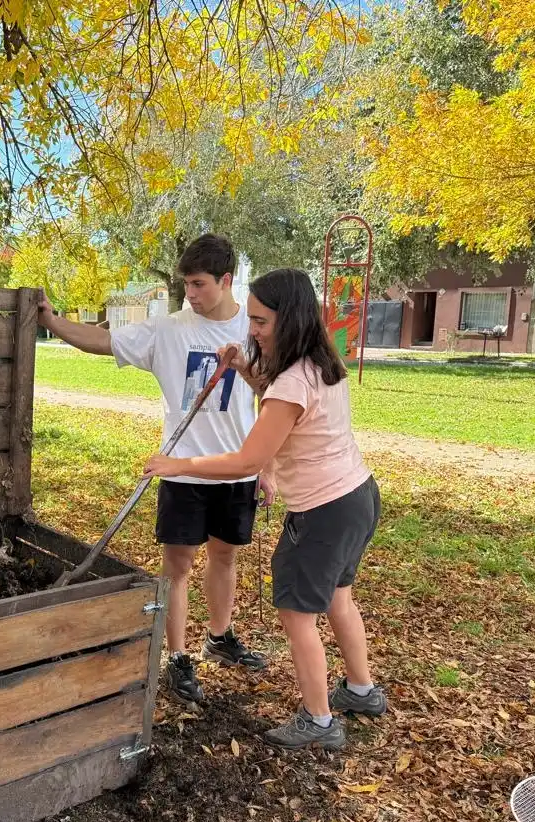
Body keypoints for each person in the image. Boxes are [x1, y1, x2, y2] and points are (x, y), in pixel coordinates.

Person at [142, 267, 385, 749]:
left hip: (322, 512)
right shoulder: (321, 362)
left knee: (297, 615)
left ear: (289, 319)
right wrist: (243, 369)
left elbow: (248, 460)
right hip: (358, 496)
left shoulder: (292, 381)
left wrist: (177, 463)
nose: (251, 330)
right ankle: (362, 690)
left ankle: (318, 721)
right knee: (339, 597)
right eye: (250, 319)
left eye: (260, 322)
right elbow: (277, 401)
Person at [38, 234, 274, 703]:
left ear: (226, 280)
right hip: (182, 471)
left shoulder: (254, 330)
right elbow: (102, 341)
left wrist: (266, 466)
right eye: (187, 284)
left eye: (200, 284)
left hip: (236, 469)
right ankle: (178, 656)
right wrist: (51, 320)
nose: (191, 293)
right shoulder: (168, 330)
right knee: (178, 567)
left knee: (225, 558)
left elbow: (274, 397)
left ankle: (219, 637)